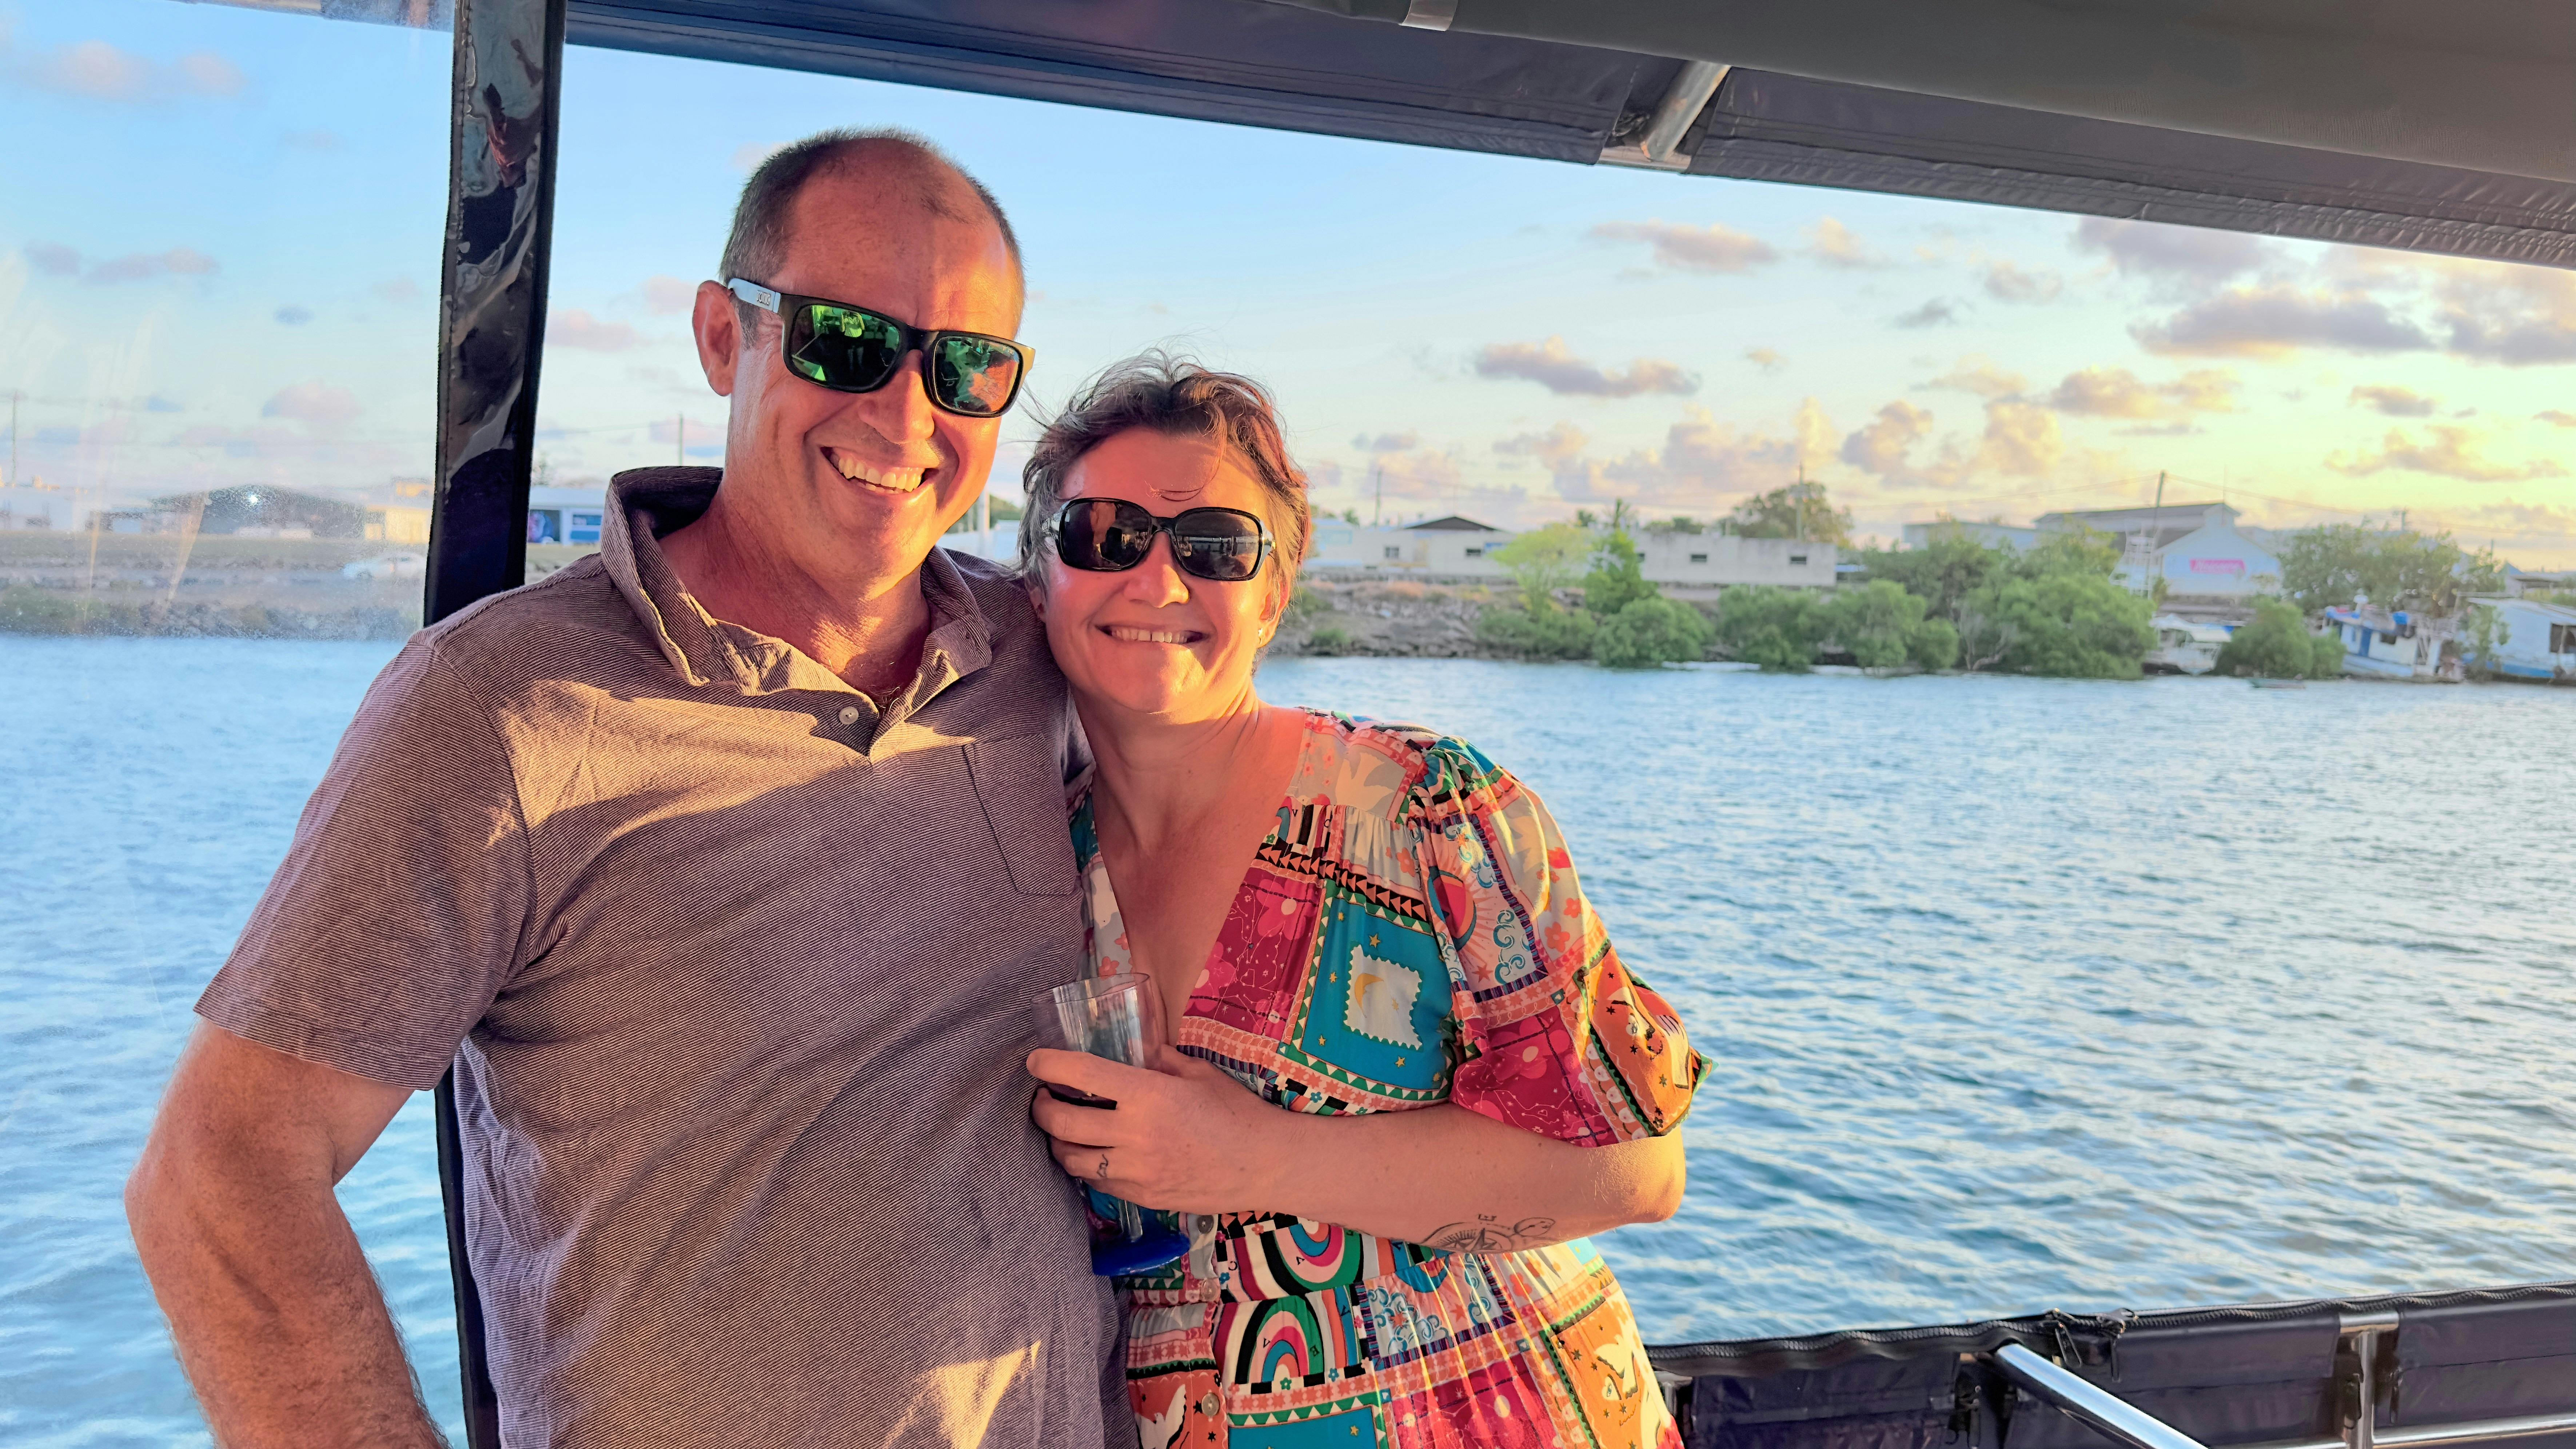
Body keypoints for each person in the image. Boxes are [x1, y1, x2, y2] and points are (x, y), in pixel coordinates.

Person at [124, 131, 1130, 1448]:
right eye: (845, 342)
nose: (905, 416)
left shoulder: (1044, 662)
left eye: (966, 368)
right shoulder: (498, 705)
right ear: (723, 336)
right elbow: (219, 1174)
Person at [1018, 357, 1706, 1449]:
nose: (1157, 581)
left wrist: (1254, 1156)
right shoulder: (1030, 868)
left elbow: (1640, 1172)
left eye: (1215, 546)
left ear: (1274, 594)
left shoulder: (1431, 815)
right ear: (1039, 579)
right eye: (1104, 535)